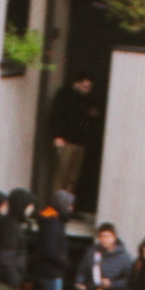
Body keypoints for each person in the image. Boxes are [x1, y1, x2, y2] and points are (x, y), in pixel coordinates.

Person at [48, 74, 101, 207]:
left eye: (89, 87)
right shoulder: (64, 95)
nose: (86, 89)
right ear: (77, 83)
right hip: (66, 141)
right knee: (62, 175)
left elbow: (93, 116)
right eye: (84, 86)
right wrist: (57, 136)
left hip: (81, 142)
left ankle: (66, 205)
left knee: (73, 177)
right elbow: (55, 115)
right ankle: (56, 206)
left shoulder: (88, 99)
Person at [27, 190, 72, 290]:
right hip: (52, 270)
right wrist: (64, 262)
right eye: (69, 205)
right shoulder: (53, 223)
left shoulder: (50, 220)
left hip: (47, 268)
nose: (71, 209)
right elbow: (50, 250)